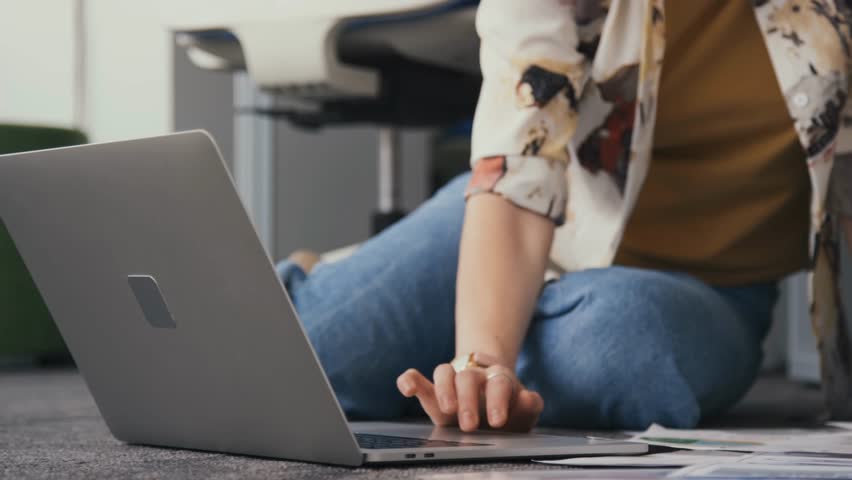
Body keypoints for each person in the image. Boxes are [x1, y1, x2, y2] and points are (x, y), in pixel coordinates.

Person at [277, 0, 852, 431]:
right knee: (308, 357)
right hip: (540, 218)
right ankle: (345, 288)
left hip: (712, 286)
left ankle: (436, 308)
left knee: (611, 348)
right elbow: (518, 162)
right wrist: (483, 363)